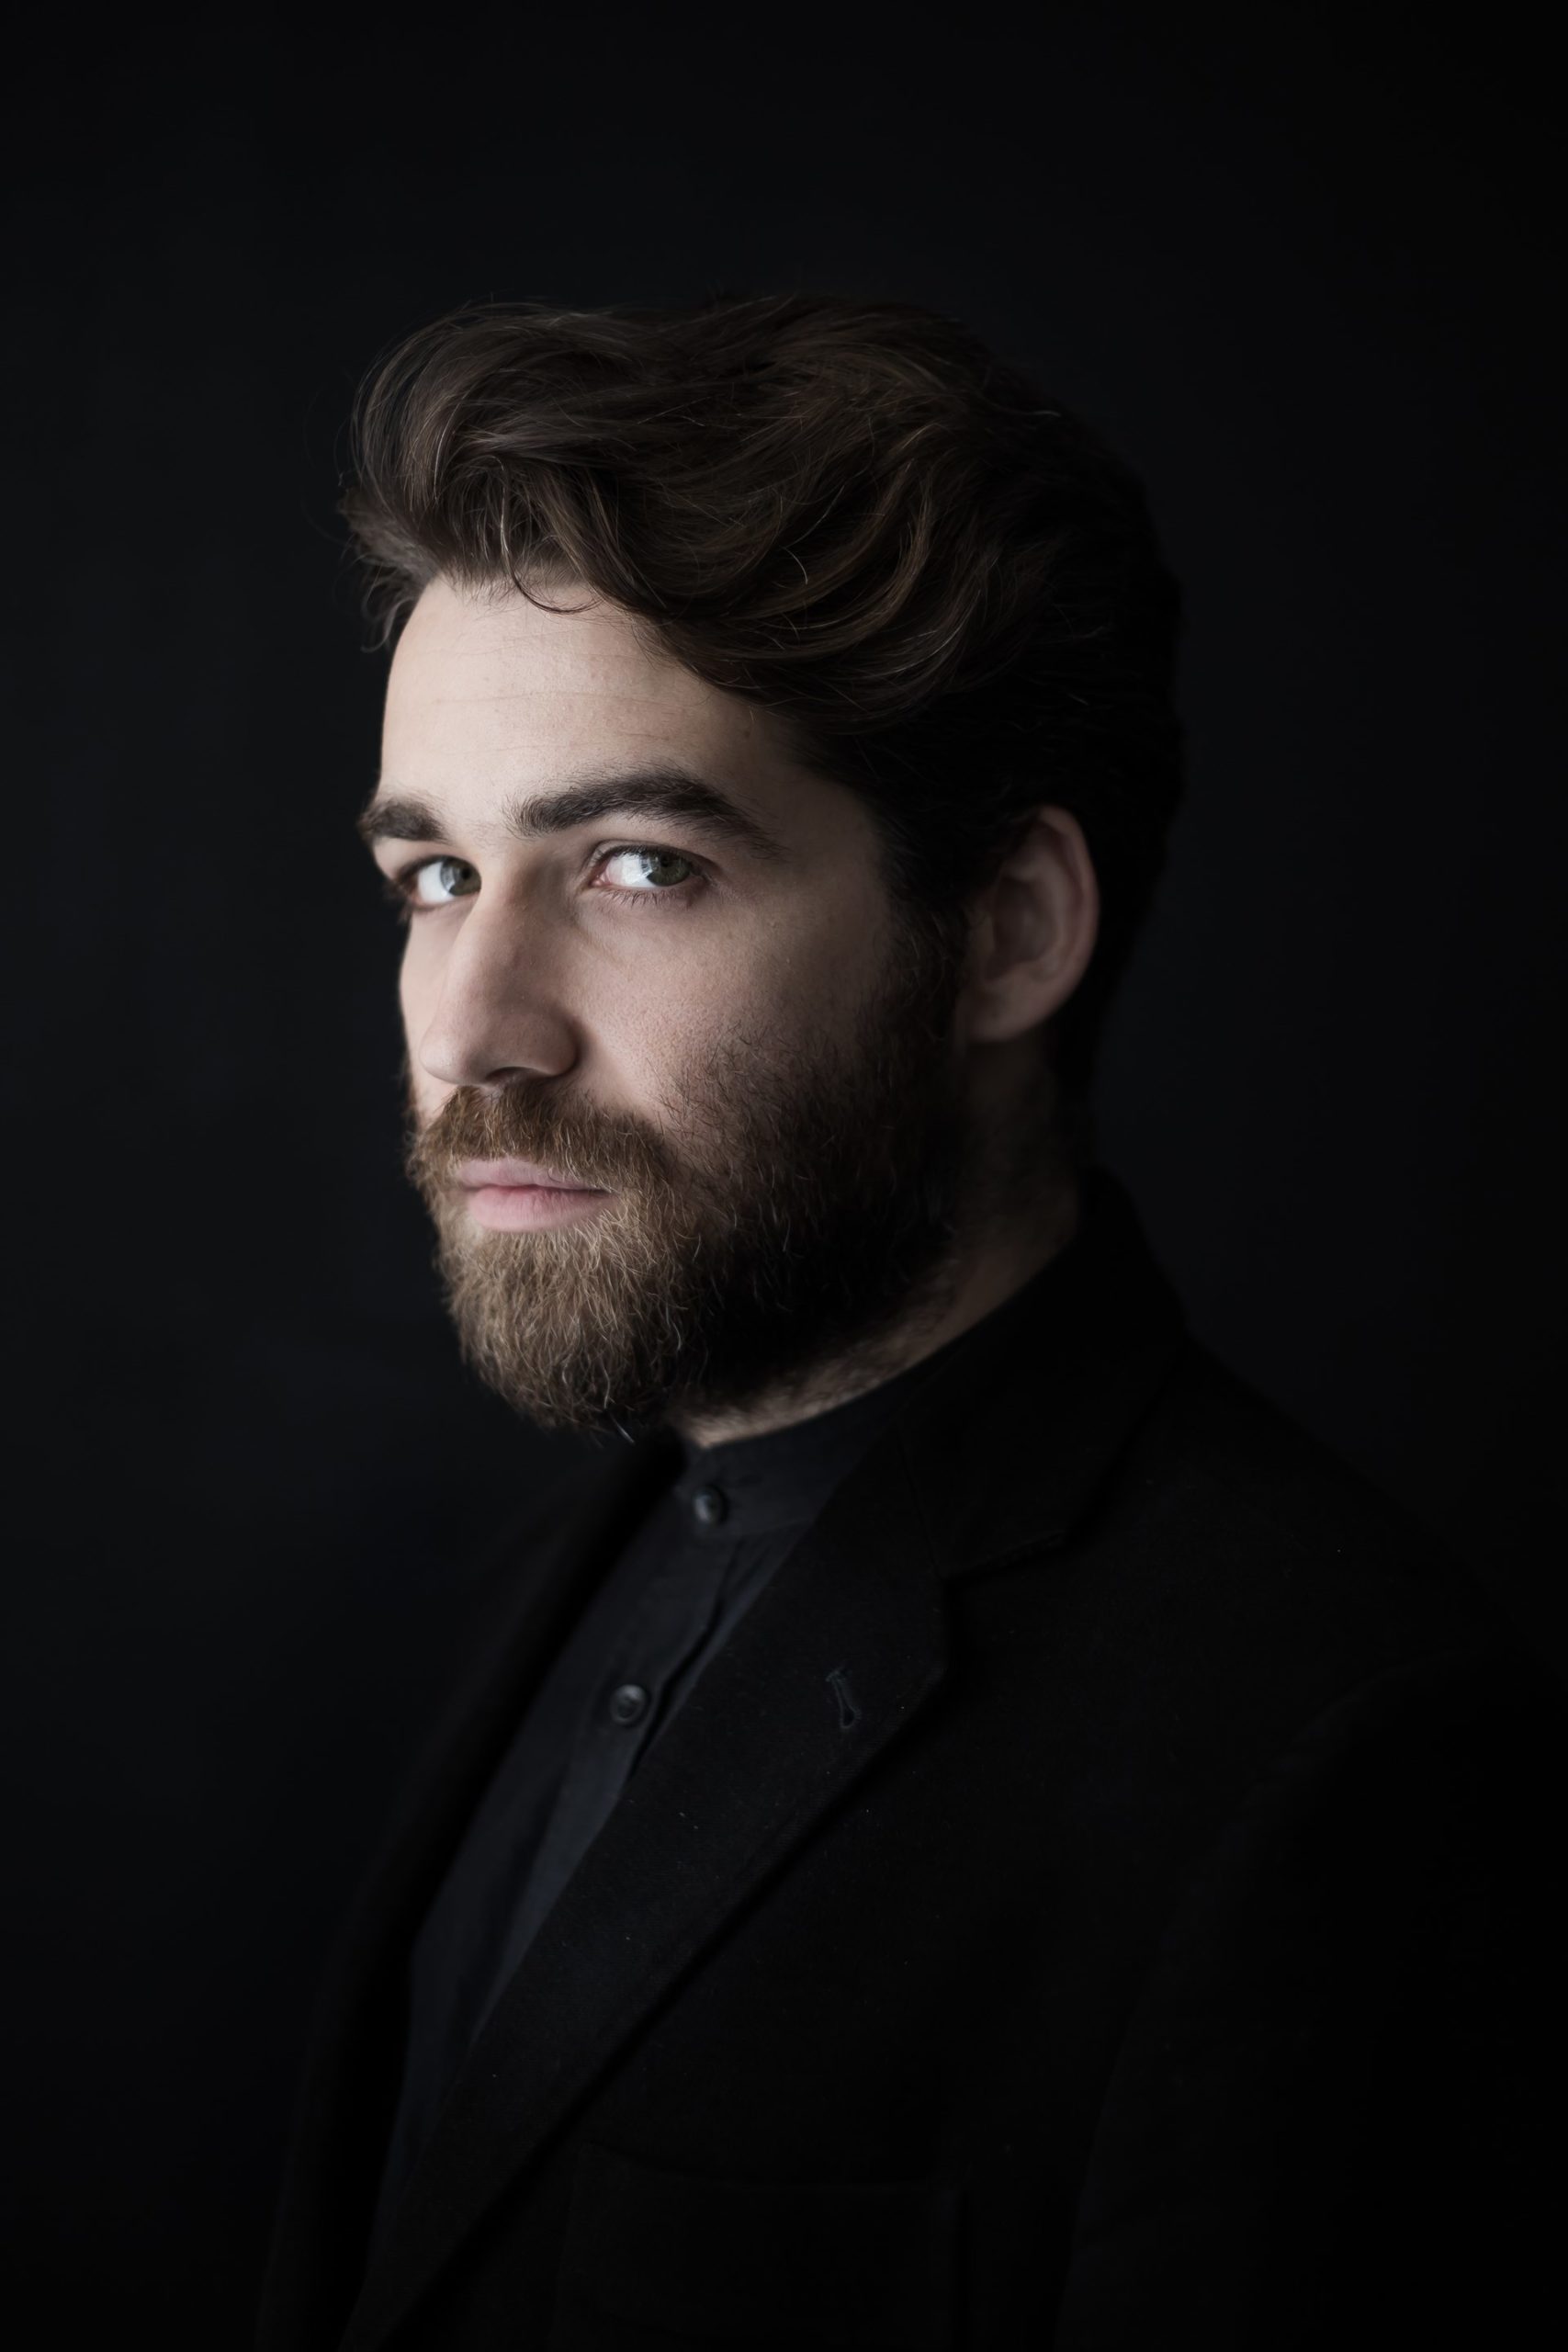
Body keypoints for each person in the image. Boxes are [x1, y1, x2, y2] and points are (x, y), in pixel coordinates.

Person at [257, 294, 1562, 2351]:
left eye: (635, 864)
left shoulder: (1337, 1760)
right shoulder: (551, 1569)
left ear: (1008, 929)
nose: (476, 1028)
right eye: (434, 876)